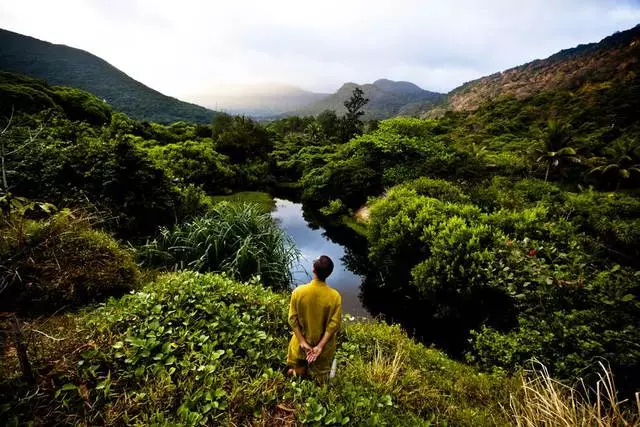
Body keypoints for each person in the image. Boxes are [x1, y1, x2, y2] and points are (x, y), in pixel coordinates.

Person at [286, 255, 342, 379]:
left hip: (301, 345)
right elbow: (334, 325)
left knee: (297, 369)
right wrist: (320, 346)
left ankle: (296, 372)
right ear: (329, 273)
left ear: (313, 270)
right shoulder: (335, 296)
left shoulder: (298, 292)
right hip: (323, 348)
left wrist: (302, 342)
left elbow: (292, 319)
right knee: (319, 376)